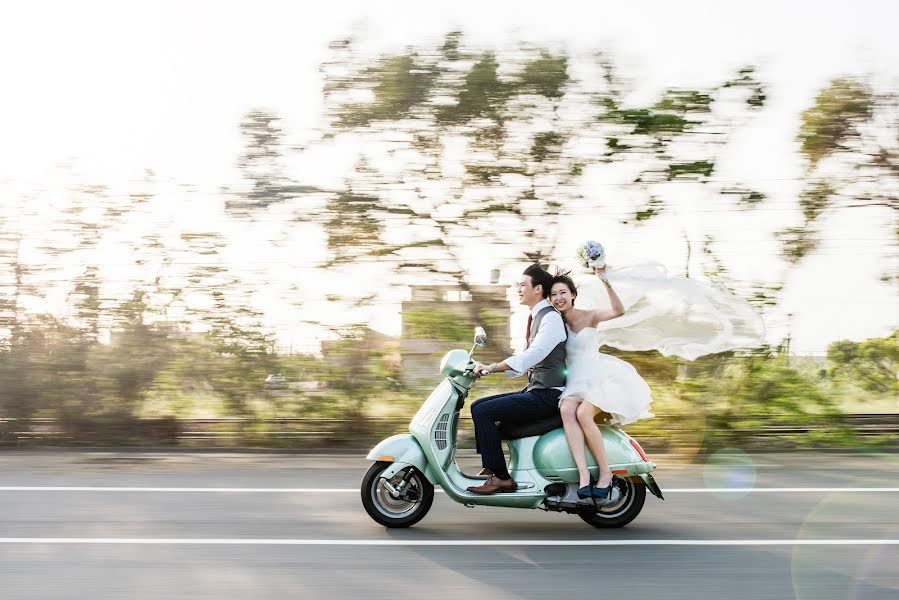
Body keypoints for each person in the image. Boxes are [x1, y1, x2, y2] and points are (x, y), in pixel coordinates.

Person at [549, 268, 654, 504]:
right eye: (553, 294)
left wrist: (604, 279)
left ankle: (605, 472)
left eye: (563, 292)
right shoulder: (555, 323)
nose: (558, 298)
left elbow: (619, 310)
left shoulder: (590, 316)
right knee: (566, 410)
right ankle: (583, 475)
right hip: (575, 379)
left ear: (573, 294)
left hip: (598, 376)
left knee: (584, 413)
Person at [466, 263, 567, 495]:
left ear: (538, 289)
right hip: (538, 390)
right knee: (478, 406)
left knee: (484, 412)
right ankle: (493, 466)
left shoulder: (550, 318)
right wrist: (485, 369)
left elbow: (533, 355)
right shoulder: (537, 317)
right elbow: (523, 362)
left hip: (549, 395)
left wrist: (491, 368)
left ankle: (501, 478)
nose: (518, 289)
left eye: (522, 285)